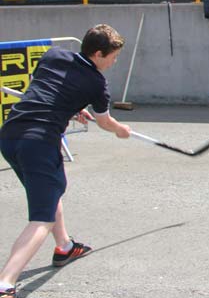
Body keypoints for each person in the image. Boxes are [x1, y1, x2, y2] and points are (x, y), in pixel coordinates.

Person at [0, 24, 132, 298]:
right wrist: (120, 130)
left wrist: (73, 108)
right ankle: (6, 283)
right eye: (113, 56)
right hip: (39, 142)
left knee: (50, 191)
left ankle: (64, 246)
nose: (114, 61)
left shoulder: (54, 55)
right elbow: (105, 122)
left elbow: (48, 89)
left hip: (11, 135)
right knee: (41, 218)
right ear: (98, 54)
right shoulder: (97, 83)